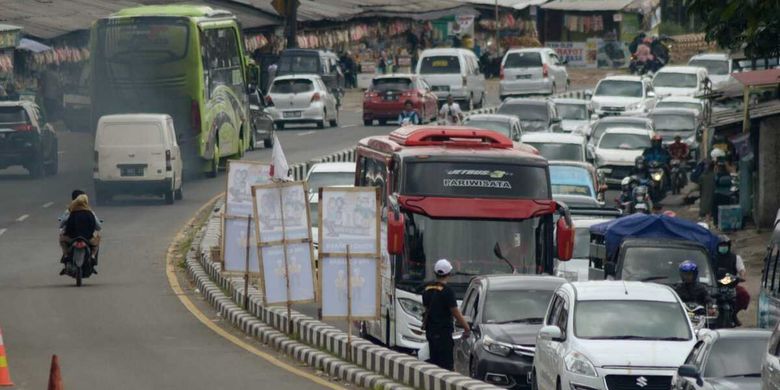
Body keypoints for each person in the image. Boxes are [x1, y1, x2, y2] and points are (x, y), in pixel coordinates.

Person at [422, 259, 470, 370]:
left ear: (435, 273)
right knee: (446, 366)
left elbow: (426, 309)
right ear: (448, 274)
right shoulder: (448, 292)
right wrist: (467, 328)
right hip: (444, 334)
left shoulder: (427, 289)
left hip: (430, 333)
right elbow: (456, 313)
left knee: (434, 363)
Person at [59, 193, 101, 275]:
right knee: (97, 241)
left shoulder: (72, 212)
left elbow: (65, 225)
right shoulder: (90, 213)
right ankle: (92, 256)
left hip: (72, 238)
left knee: (62, 240)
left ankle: (66, 255)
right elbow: (97, 227)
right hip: (88, 238)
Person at [714, 235, 749, 326]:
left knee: (744, 294)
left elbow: (741, 270)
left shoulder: (735, 258)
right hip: (715, 285)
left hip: (730, 284)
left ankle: (734, 314)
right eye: (721, 245)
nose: (723, 247)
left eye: (725, 245)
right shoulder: (712, 258)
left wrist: (741, 276)